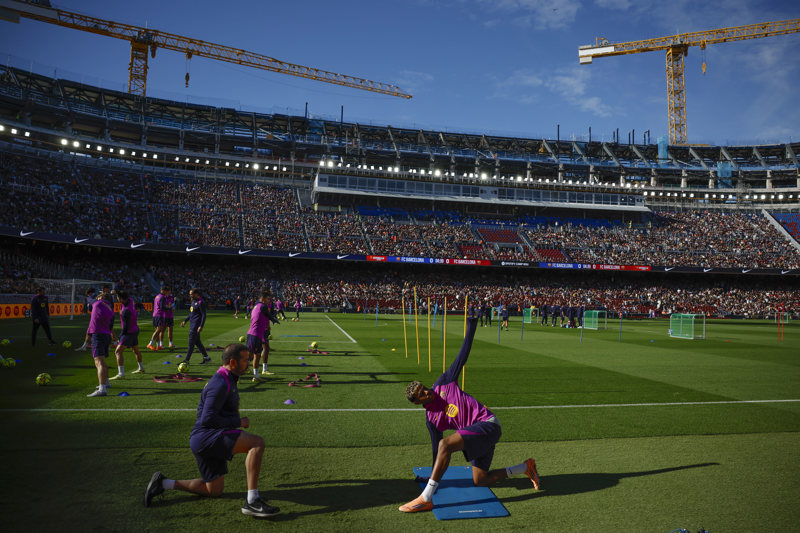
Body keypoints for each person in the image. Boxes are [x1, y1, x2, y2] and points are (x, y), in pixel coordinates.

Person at [399, 317, 539, 513]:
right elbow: (435, 450)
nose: (426, 392)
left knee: (445, 445)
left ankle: (426, 498)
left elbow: (462, 356)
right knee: (481, 480)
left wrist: (471, 326)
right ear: (416, 402)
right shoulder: (431, 420)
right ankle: (525, 467)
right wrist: (432, 473)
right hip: (477, 437)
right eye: (421, 394)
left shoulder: (444, 382)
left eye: (424, 388)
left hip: (488, 424)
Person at [143, 343, 280, 518]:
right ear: (233, 362)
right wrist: (238, 422)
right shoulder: (220, 383)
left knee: (213, 490)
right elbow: (208, 419)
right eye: (245, 360)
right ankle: (252, 501)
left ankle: (163, 483)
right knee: (257, 443)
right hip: (207, 437)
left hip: (203, 439)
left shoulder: (227, 378)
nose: (250, 362)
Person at [86, 293, 116, 397]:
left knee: (99, 363)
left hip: (98, 335)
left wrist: (91, 294)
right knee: (102, 361)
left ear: (102, 298)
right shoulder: (111, 310)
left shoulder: (98, 303)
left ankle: (102, 389)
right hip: (106, 336)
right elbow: (111, 326)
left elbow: (89, 299)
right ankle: (106, 382)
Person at [109, 291, 144, 379]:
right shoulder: (130, 300)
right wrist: (116, 292)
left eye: (117, 297)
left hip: (129, 332)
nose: (117, 299)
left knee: (118, 351)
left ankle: (121, 374)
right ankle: (141, 368)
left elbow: (126, 326)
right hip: (135, 329)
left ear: (120, 298)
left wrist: (120, 336)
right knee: (135, 350)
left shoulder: (126, 311)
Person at [247, 291, 279, 383]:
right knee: (251, 356)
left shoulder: (256, 306)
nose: (270, 301)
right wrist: (274, 320)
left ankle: (255, 376)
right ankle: (234, 375)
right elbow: (268, 315)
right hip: (255, 334)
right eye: (268, 299)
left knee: (255, 355)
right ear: (263, 299)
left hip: (255, 334)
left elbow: (260, 317)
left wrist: (266, 325)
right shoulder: (263, 306)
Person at [181, 288, 211, 365]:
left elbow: (204, 315)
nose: (190, 295)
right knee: (198, 343)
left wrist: (201, 326)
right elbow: (191, 314)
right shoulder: (193, 302)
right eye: (190, 294)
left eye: (191, 294)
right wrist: (185, 321)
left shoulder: (201, 302)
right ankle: (206, 358)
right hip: (192, 324)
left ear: (196, 294)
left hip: (196, 325)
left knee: (191, 344)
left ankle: (186, 360)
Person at [147, 286, 170, 351]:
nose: (168, 293)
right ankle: (150, 343)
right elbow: (162, 307)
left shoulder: (157, 296)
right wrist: (168, 308)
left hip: (155, 314)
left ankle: (158, 346)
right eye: (167, 291)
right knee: (159, 329)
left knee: (157, 330)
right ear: (164, 291)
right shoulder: (163, 297)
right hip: (159, 314)